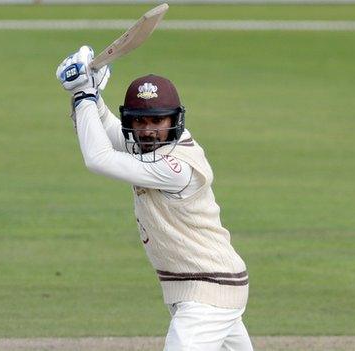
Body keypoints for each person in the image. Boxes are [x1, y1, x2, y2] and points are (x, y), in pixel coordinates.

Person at [56, 46, 253, 351]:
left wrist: (84, 94)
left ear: (174, 120)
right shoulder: (148, 149)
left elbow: (98, 158)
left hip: (208, 291)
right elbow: (104, 131)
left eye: (157, 121)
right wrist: (91, 93)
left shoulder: (175, 167)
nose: (148, 131)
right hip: (204, 287)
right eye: (140, 122)